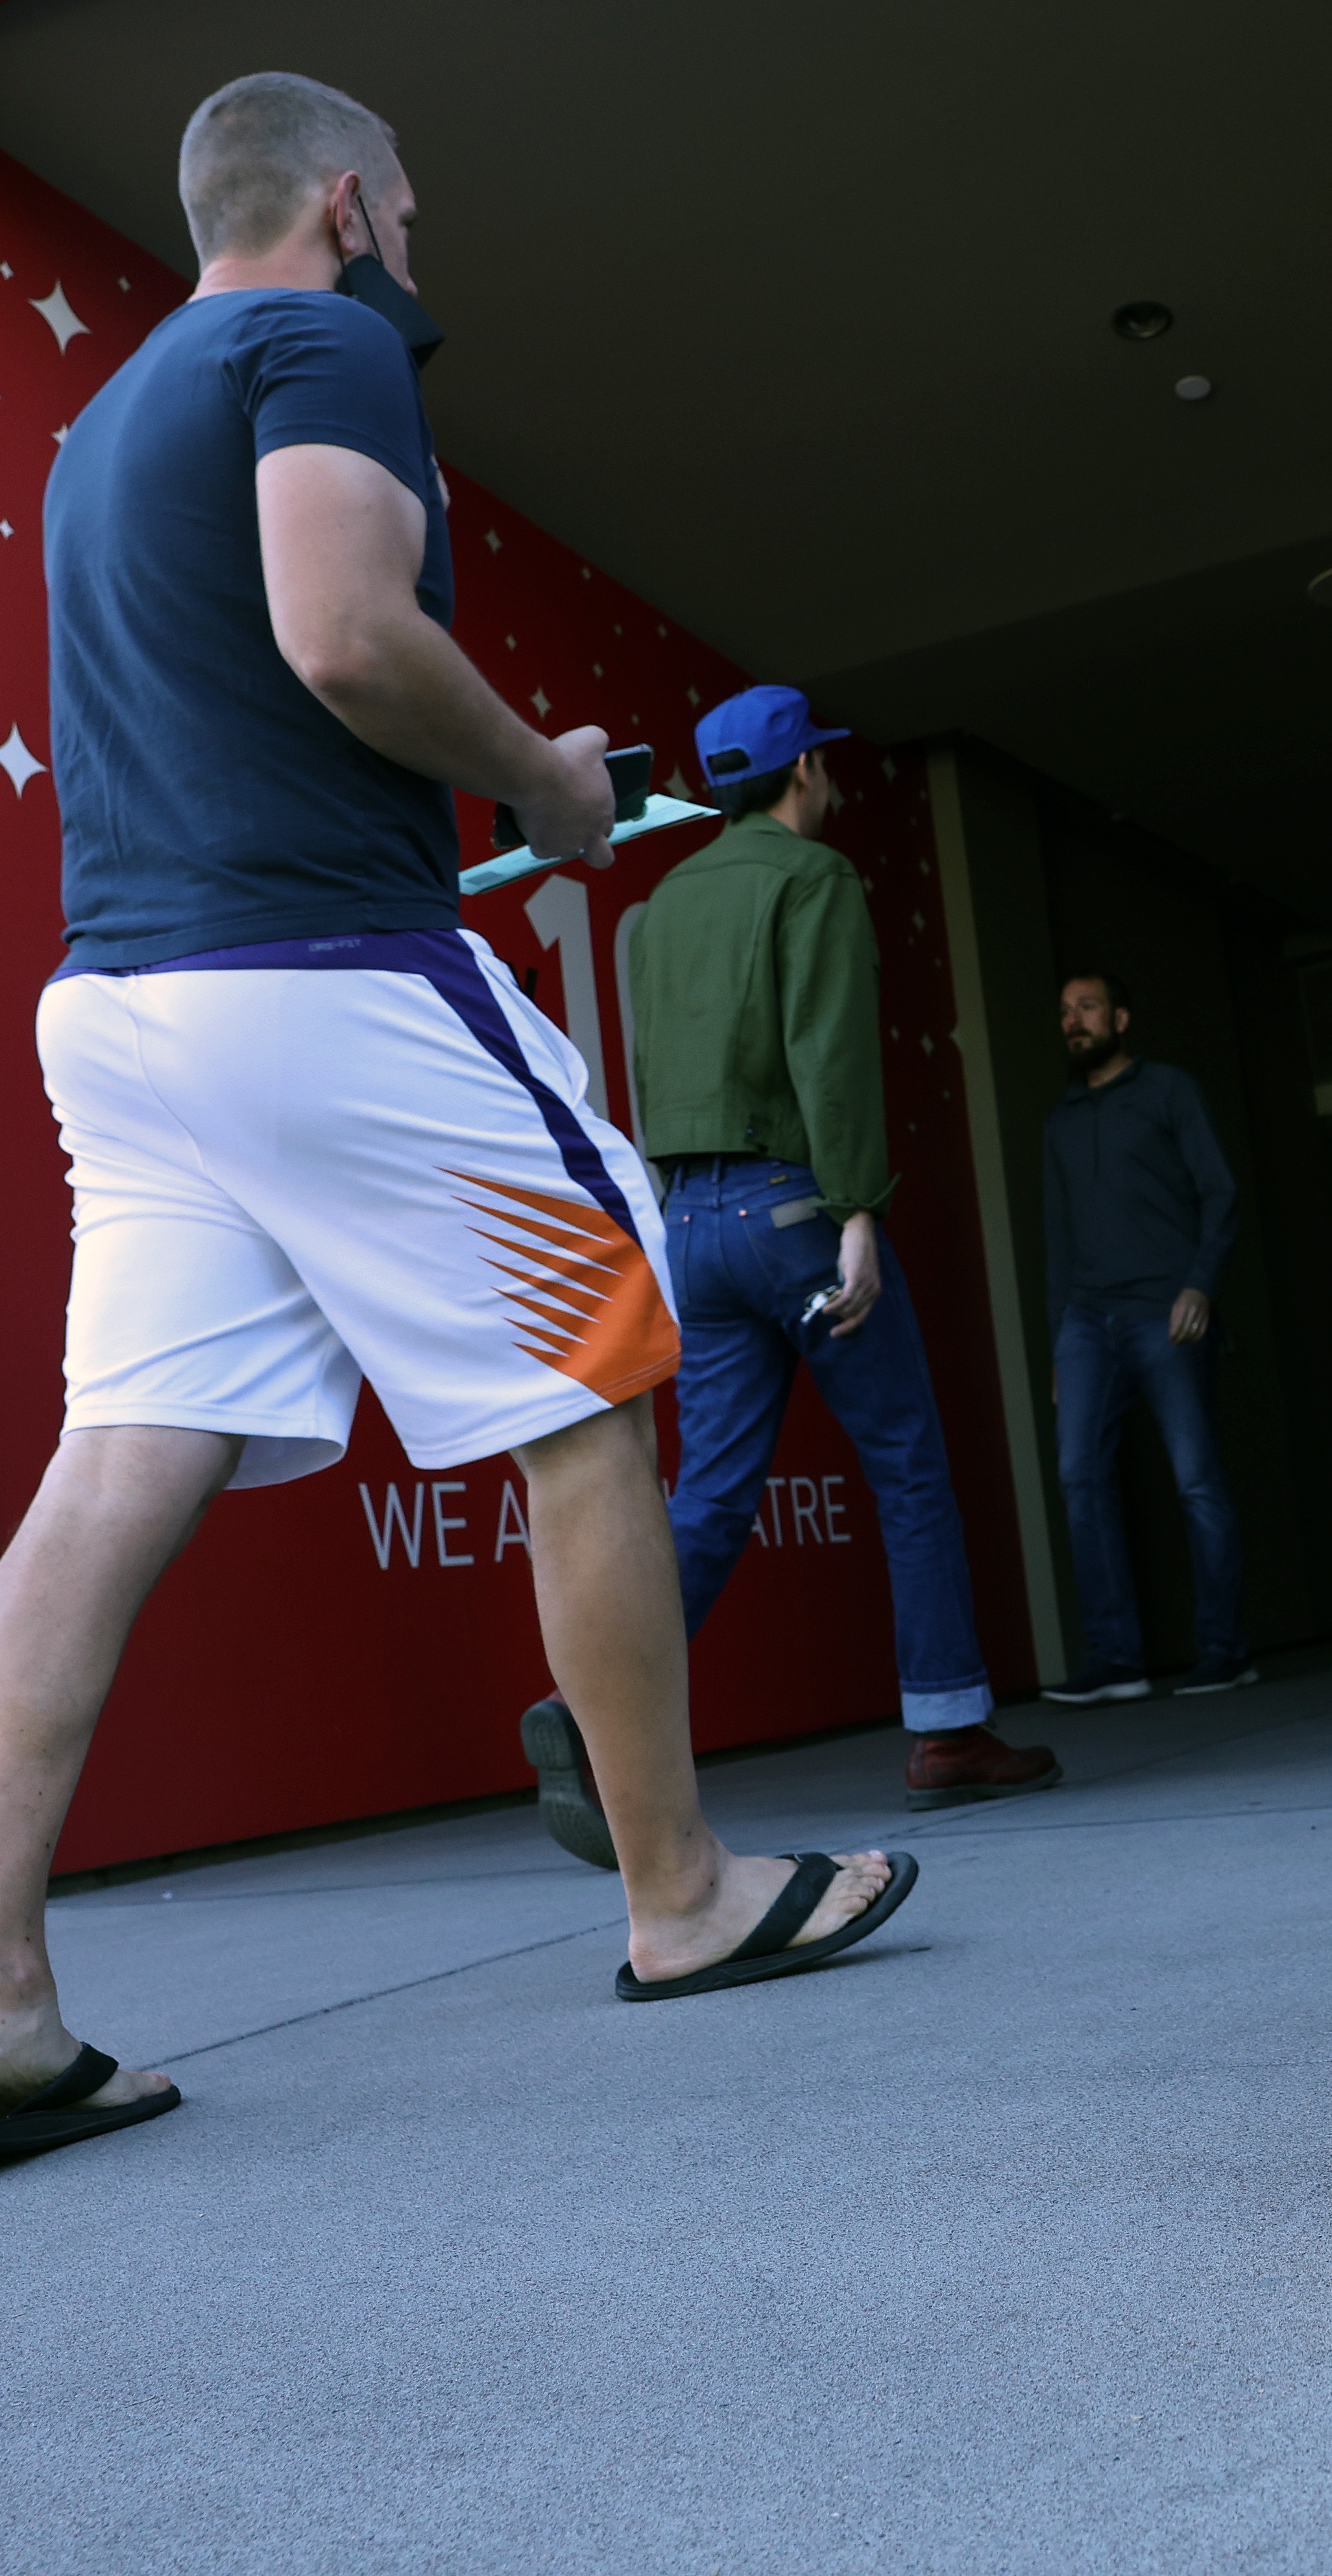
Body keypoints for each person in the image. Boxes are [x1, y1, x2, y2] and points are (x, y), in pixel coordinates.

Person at [0, 76, 908, 2176]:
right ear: (343, 202)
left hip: (130, 1013)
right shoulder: (313, 338)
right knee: (602, 1379)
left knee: (112, 1464)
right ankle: (680, 1897)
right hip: (328, 990)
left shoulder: (112, 422)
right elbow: (341, 635)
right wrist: (545, 781)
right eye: (409, 212)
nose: (417, 247)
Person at [548, 685, 1057, 1834]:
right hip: (797, 1217)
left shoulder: (670, 897)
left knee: (713, 1496)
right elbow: (830, 1057)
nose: (830, 778)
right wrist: (859, 1214)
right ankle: (947, 1730)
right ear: (805, 775)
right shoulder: (814, 879)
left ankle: (589, 1716)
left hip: (693, 1228)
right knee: (909, 1469)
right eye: (823, 763)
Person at [1038, 975, 1254, 1703]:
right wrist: (1057, 1345)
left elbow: (1219, 1191)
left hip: (1165, 1311)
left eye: (1088, 1008)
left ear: (1121, 1018)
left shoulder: (1168, 1090)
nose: (1074, 1021)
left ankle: (1224, 1650)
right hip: (1085, 1323)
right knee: (1078, 1479)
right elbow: (1057, 1241)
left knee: (1195, 1480)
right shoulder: (1060, 1120)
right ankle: (1116, 1660)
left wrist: (1200, 1284)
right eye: (1066, 1012)